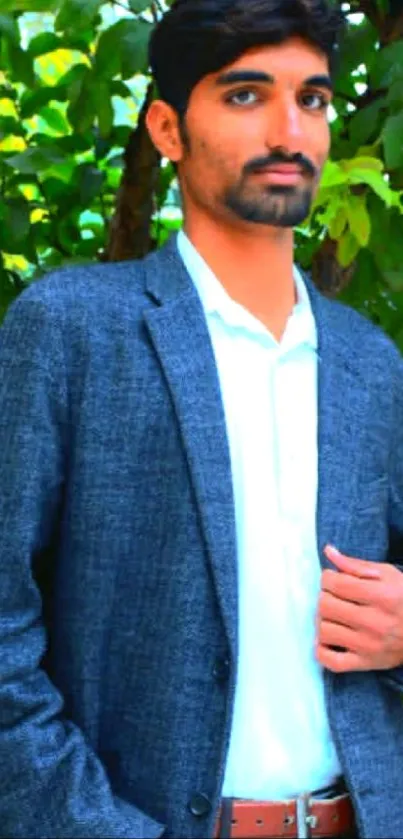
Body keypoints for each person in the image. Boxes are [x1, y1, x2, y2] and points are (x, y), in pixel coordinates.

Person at [0, 0, 403, 837]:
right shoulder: (72, 329)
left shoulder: (373, 366)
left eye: (313, 99)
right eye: (247, 95)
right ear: (167, 128)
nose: (289, 130)